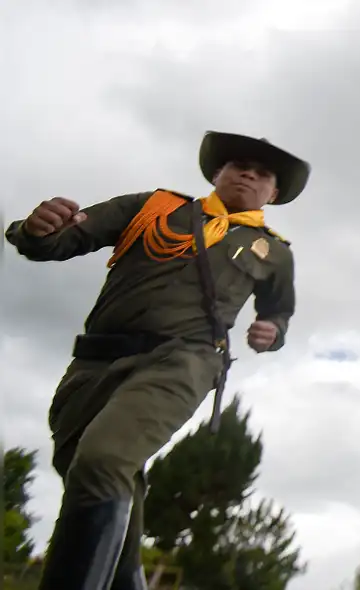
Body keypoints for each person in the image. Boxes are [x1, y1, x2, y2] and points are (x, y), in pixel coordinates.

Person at [4, 131, 310, 590]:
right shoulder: (153, 207)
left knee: (102, 461)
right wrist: (37, 228)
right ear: (215, 174)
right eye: (238, 164)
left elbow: (278, 311)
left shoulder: (275, 252)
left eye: (263, 172)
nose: (248, 173)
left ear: (275, 192)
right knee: (84, 468)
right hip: (95, 360)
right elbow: (60, 241)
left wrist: (273, 332)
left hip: (182, 361)